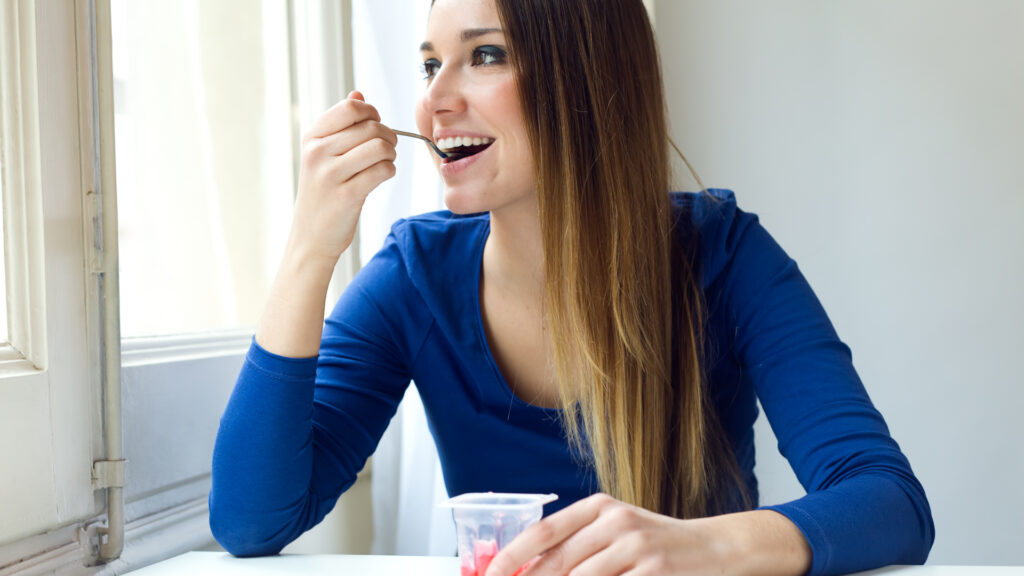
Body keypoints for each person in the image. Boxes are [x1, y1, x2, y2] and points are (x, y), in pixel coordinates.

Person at [209, 0, 935, 574]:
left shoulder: (725, 254)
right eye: (431, 65)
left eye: (484, 55)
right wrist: (311, 247)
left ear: (585, 77)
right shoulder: (413, 277)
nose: (434, 102)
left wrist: (699, 549)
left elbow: (888, 500)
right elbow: (251, 520)